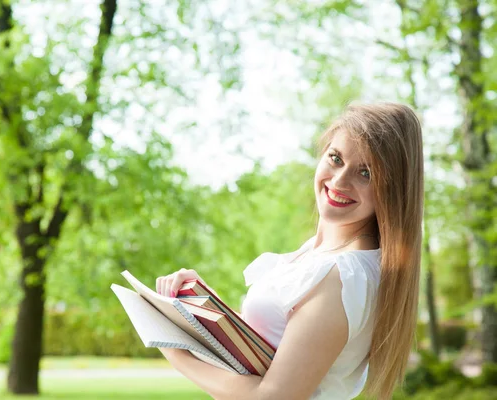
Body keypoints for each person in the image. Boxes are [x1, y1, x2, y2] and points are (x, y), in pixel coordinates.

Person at [155, 102, 424, 400]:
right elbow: (271, 345)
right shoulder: (321, 255)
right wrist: (203, 300)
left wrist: (176, 351)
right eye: (336, 158)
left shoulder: (342, 276)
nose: (339, 181)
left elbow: (273, 397)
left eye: (366, 174)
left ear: (391, 189)